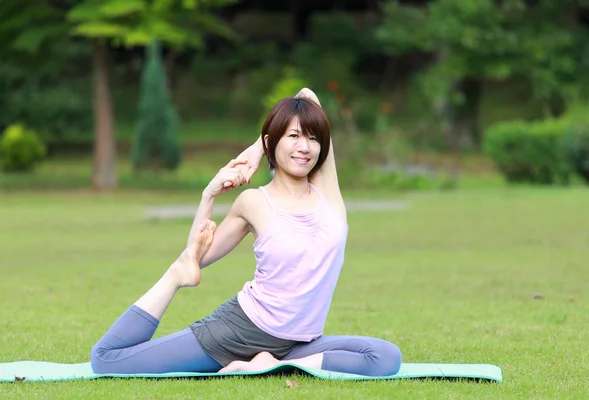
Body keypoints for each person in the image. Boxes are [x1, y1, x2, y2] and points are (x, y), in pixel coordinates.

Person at [90, 88, 402, 377]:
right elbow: (198, 257)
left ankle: (273, 364)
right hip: (238, 331)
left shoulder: (328, 193)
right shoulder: (254, 201)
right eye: (293, 136)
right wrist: (208, 196)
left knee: (385, 357)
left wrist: (255, 151)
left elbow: (308, 95)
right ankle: (173, 280)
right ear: (273, 143)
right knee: (106, 360)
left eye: (313, 138)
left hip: (297, 343)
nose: (305, 147)